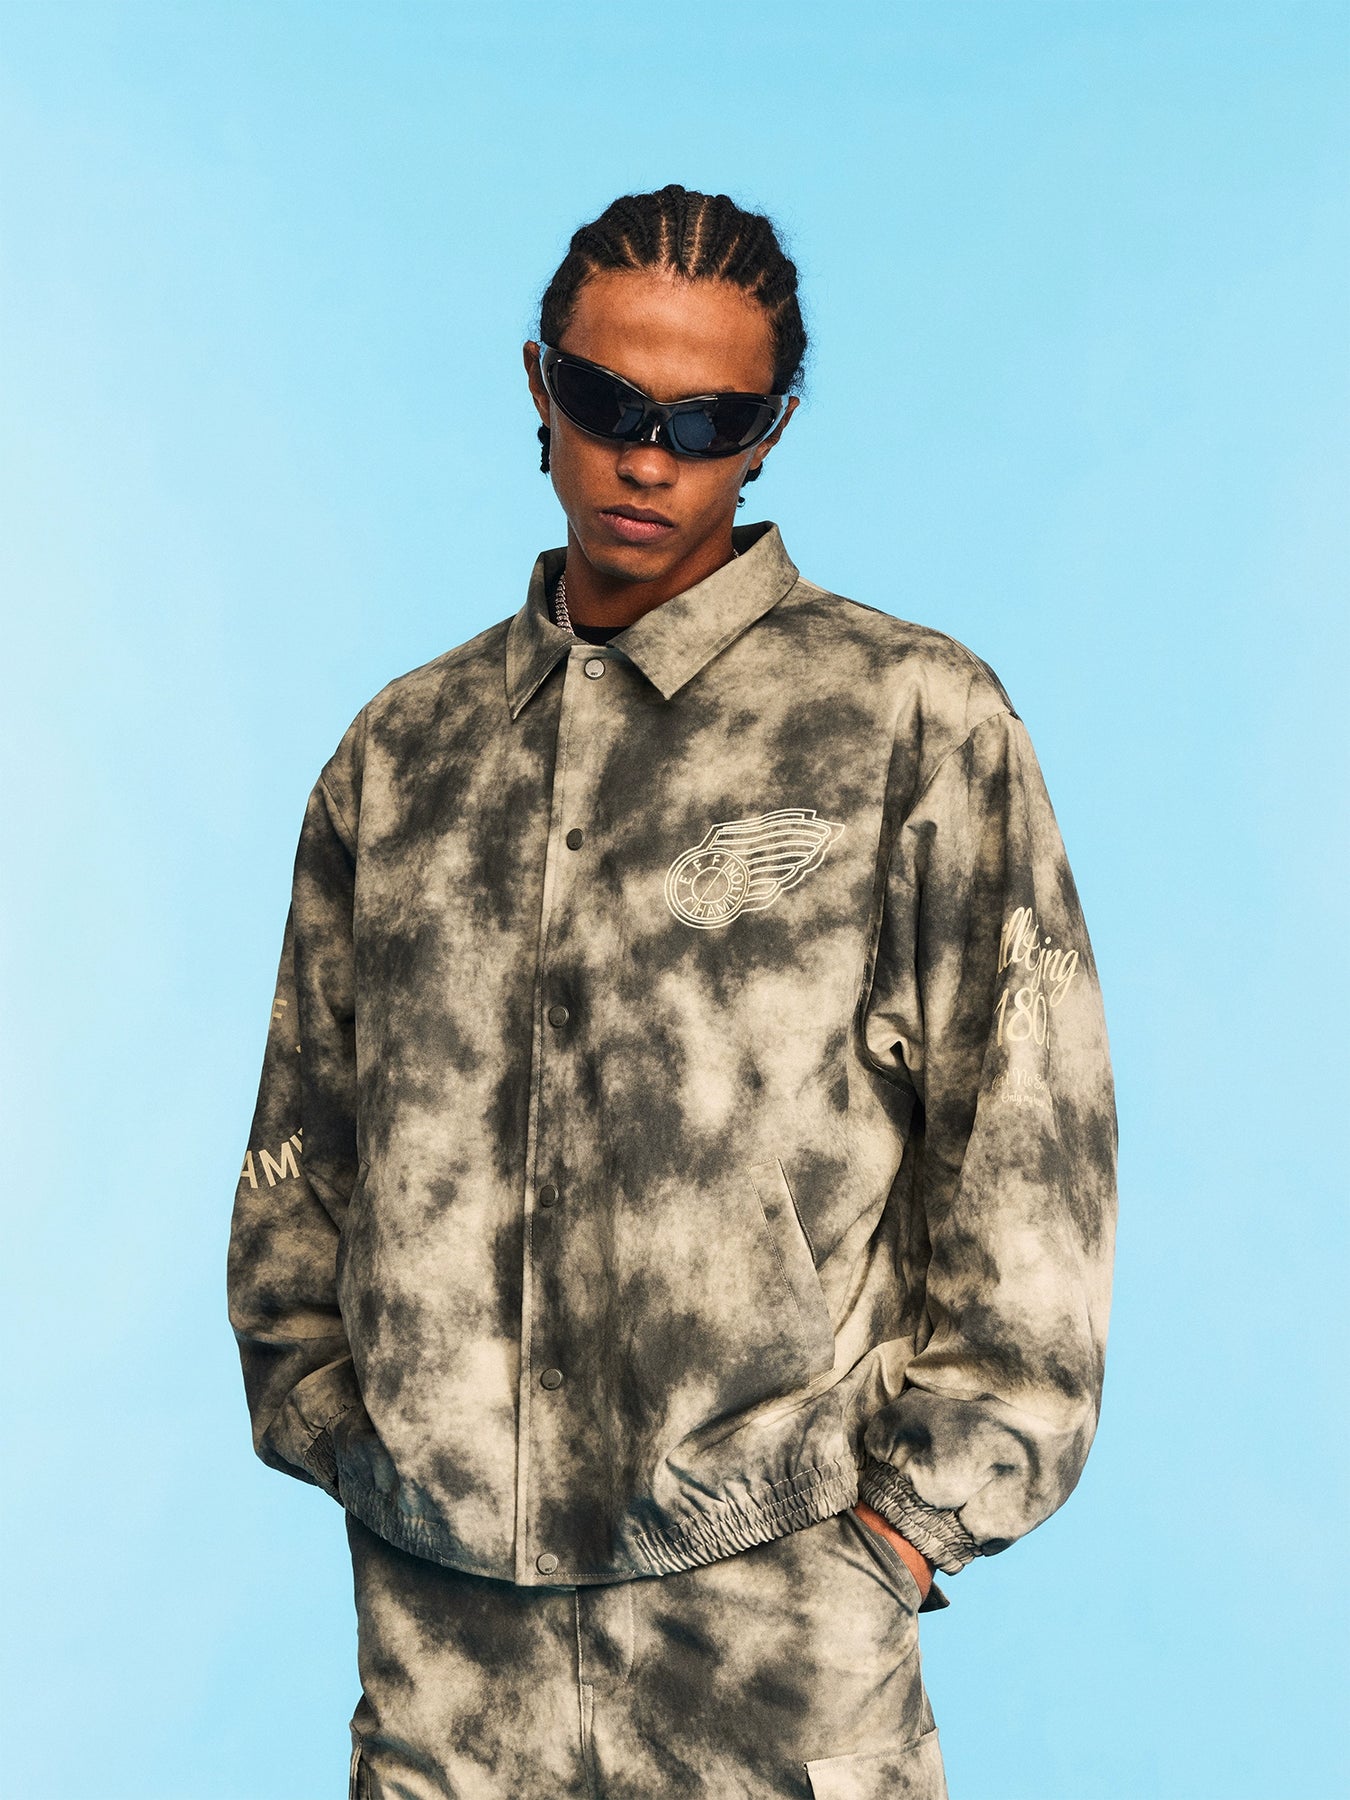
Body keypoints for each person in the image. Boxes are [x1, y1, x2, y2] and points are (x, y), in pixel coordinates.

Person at [228, 183, 1117, 1800]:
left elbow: (1028, 1150)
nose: (648, 458)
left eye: (706, 420)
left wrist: (909, 1525)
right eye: (607, 401)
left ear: (769, 433)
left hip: (778, 1630)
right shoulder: (405, 754)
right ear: (537, 384)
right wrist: (341, 1424)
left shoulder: (907, 720)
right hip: (444, 1652)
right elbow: (306, 1134)